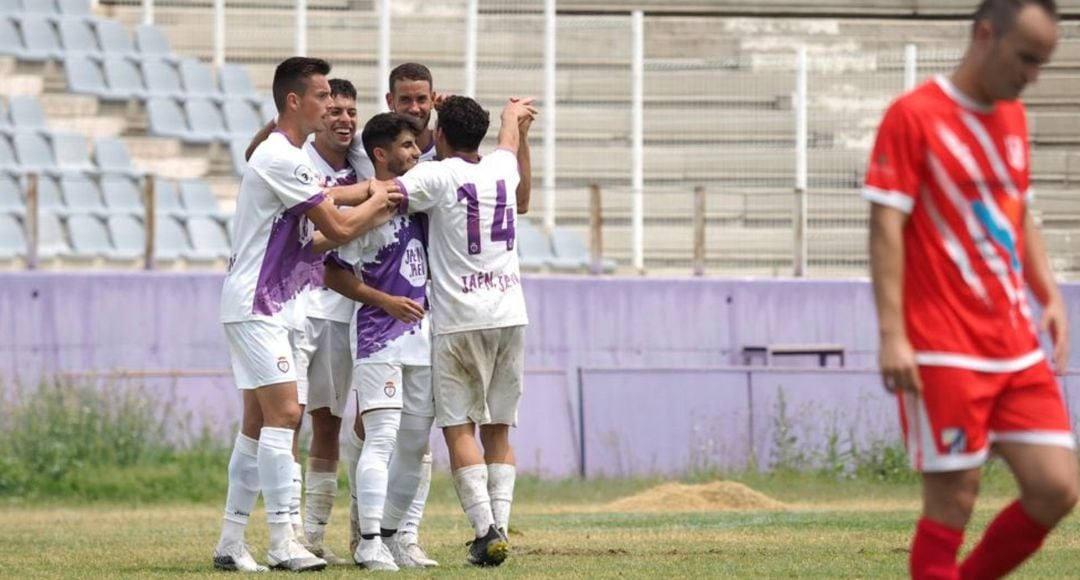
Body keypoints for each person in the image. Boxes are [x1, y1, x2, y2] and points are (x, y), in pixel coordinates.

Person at [865, 1, 1077, 578]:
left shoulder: (1012, 118)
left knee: (1056, 487)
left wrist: (1048, 294)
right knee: (954, 499)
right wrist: (893, 335)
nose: (1032, 75)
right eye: (1026, 59)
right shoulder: (914, 116)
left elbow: (1018, 211)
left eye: (1043, 63)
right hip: (942, 346)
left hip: (1015, 343)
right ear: (985, 35)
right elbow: (886, 225)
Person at [213, 56, 398, 573]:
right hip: (258, 305)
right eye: (321, 96)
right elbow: (337, 231)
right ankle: (283, 541)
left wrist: (365, 196)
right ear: (294, 101)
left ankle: (230, 542)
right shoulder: (281, 156)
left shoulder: (284, 157)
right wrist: (381, 197)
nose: (329, 105)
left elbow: (311, 241)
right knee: (288, 414)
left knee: (256, 424)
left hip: (273, 304)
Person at [389, 94, 536, 567]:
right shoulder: (501, 167)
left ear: (442, 137)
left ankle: (483, 529)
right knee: (499, 429)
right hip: (511, 313)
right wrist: (515, 117)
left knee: (458, 428)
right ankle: (501, 527)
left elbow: (390, 193)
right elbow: (511, 143)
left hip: (459, 320)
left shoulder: (435, 174)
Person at [325, 112, 435, 570]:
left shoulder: (421, 203)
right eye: (408, 146)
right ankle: (368, 540)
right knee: (383, 438)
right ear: (381, 155)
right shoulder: (368, 209)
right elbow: (333, 272)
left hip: (423, 341)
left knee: (414, 445)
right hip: (378, 338)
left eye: (416, 145)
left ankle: (391, 537)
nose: (415, 153)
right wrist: (385, 300)